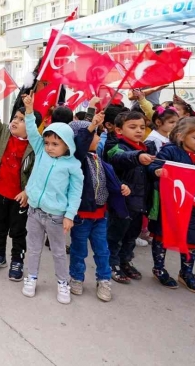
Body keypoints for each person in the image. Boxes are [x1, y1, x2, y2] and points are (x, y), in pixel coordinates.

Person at [20, 93, 83, 304]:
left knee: (58, 252)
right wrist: (29, 111)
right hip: (35, 212)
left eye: (55, 144)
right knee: (34, 248)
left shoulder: (73, 166)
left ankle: (63, 283)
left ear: (67, 145)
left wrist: (69, 215)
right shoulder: (40, 151)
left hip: (56, 216)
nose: (49, 147)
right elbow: (31, 132)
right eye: (47, 142)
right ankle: (32, 277)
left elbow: (75, 193)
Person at [149, 117, 195, 293]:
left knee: (192, 239)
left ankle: (187, 273)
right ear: (181, 136)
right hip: (171, 203)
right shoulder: (170, 151)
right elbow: (153, 166)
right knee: (162, 235)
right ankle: (159, 268)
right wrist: (157, 171)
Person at [0, 85, 41, 282]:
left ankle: (17, 260)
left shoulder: (35, 145)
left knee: (18, 230)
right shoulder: (4, 132)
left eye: (22, 120)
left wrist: (27, 192)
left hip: (19, 196)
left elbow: (36, 173)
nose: (15, 121)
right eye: (15, 117)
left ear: (31, 126)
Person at [68, 115, 130, 303]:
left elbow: (109, 182)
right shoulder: (77, 159)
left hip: (100, 216)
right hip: (81, 216)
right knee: (79, 250)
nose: (98, 138)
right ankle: (77, 278)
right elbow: (80, 144)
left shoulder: (98, 158)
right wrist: (91, 125)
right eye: (95, 134)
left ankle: (103, 280)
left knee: (102, 250)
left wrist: (122, 187)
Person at [104, 111, 157, 284]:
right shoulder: (115, 146)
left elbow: (149, 173)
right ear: (119, 130)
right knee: (116, 235)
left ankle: (125, 261)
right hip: (122, 203)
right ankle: (111, 263)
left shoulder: (147, 148)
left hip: (140, 202)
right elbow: (120, 158)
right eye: (133, 127)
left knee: (131, 236)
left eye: (142, 127)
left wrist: (157, 171)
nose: (139, 131)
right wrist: (137, 157)